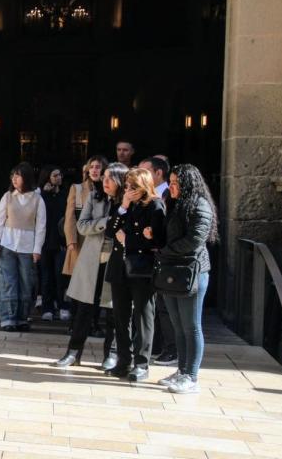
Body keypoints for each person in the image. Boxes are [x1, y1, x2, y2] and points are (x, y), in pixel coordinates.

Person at [53, 160, 120, 369]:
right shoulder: (94, 196)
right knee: (84, 309)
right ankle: (73, 352)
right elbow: (82, 225)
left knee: (113, 311)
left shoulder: (127, 202)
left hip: (115, 260)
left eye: (110, 178)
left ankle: (111, 354)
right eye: (104, 177)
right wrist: (104, 223)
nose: (104, 181)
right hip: (92, 258)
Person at [158, 164, 218, 394]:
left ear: (187, 184)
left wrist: (164, 251)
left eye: (175, 183)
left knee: (191, 326)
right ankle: (181, 370)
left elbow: (194, 240)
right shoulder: (174, 203)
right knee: (178, 325)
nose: (171, 187)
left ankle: (191, 376)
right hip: (172, 270)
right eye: (170, 182)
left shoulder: (200, 205)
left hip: (192, 271)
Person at [104, 167, 166, 382]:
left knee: (143, 315)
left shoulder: (155, 205)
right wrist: (123, 206)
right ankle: (123, 361)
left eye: (133, 187)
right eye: (127, 186)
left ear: (144, 187)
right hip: (119, 266)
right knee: (121, 317)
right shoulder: (124, 206)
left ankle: (142, 363)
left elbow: (157, 240)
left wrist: (128, 240)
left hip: (141, 268)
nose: (128, 190)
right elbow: (110, 231)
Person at [0, 162, 46, 332]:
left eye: (18, 175)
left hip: (27, 247)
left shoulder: (37, 199)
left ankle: (22, 318)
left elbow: (41, 226)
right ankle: (7, 318)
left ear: (26, 178)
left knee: (26, 282)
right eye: (13, 175)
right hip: (7, 245)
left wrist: (37, 249)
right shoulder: (7, 197)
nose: (14, 178)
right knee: (7, 282)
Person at [139, 156, 177, 366]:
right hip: (151, 257)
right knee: (153, 304)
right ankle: (155, 344)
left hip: (164, 255)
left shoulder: (166, 194)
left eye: (145, 172)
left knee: (165, 305)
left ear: (158, 173)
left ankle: (171, 348)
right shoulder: (147, 195)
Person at [37, 165, 68, 322]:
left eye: (59, 175)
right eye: (55, 175)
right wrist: (44, 193)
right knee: (46, 276)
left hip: (61, 241)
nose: (58, 178)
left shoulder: (65, 195)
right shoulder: (41, 196)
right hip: (44, 241)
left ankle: (63, 306)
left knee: (60, 276)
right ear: (47, 177)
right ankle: (47, 308)